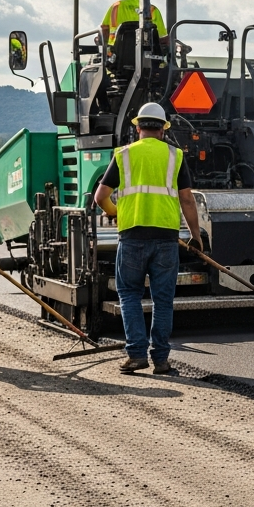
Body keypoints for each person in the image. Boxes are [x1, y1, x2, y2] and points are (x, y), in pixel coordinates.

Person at [93, 103, 202, 375]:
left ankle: (136, 355)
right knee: (163, 300)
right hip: (166, 238)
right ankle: (162, 361)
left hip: (131, 236)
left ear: (138, 127)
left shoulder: (124, 155)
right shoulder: (175, 156)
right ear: (163, 129)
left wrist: (115, 212)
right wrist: (196, 236)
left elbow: (99, 197)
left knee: (129, 295)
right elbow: (187, 199)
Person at [100, 0, 167, 48]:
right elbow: (162, 38)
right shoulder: (152, 10)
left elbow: (104, 32)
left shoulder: (116, 6)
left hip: (116, 54)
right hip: (146, 55)